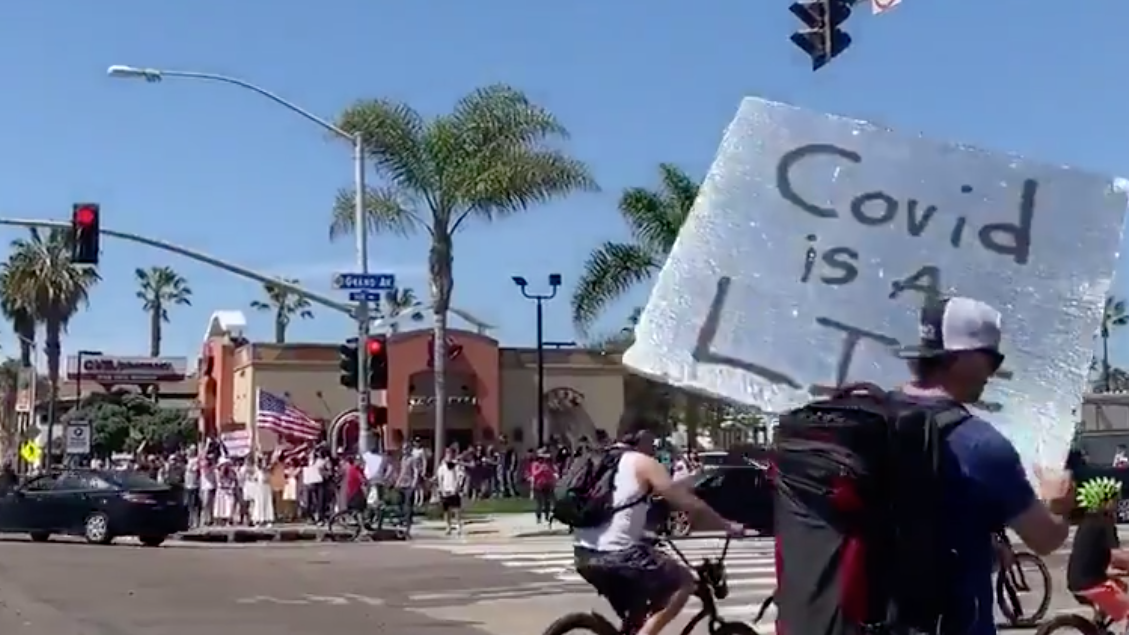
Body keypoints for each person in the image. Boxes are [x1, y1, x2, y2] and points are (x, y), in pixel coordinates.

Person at [894, 296, 1075, 635]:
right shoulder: (981, 444)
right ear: (962, 359)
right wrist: (1058, 504)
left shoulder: (874, 419)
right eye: (992, 359)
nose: (994, 373)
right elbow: (1045, 538)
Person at [573, 413, 745, 635]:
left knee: (637, 610)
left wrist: (645, 533)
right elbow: (684, 501)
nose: (655, 447)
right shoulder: (643, 463)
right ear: (641, 436)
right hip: (619, 555)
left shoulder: (603, 458)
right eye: (652, 441)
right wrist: (727, 525)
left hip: (584, 554)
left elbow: (616, 507)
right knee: (683, 582)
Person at [1068, 477, 1129, 623]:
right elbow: (1116, 557)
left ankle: (1098, 625)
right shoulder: (1105, 522)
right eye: (1115, 500)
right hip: (1092, 585)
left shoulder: (1088, 521)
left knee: (1121, 586)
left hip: (1075, 582)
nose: (1117, 505)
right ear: (1104, 502)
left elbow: (1095, 558)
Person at [435, 447, 466, 535]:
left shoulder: (457, 466)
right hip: (445, 490)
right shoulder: (442, 467)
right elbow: (440, 479)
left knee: (457, 510)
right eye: (447, 454)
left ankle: (459, 526)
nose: (449, 456)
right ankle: (448, 526)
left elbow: (461, 477)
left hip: (454, 490)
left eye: (450, 454)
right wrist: (441, 489)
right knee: (446, 511)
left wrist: (457, 487)